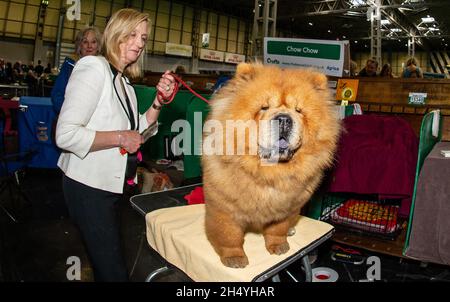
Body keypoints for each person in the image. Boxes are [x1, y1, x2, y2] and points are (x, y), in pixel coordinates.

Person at [55, 8, 176, 282]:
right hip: (87, 187)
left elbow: (138, 134)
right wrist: (119, 137)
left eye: (143, 38)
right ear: (116, 33)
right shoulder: (93, 67)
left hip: (111, 187)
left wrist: (158, 101)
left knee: (107, 265)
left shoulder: (125, 85)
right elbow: (65, 134)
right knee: (113, 272)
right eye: (132, 34)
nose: (138, 42)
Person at [51, 26, 102, 114]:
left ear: (98, 46)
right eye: (85, 42)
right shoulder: (70, 64)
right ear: (79, 45)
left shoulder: (104, 67)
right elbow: (57, 94)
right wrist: (68, 114)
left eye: (93, 42)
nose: (89, 46)